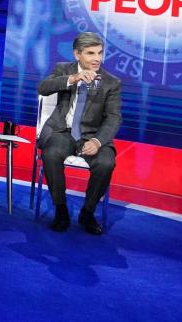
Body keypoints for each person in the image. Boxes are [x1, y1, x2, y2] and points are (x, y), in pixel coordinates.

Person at [37, 31, 122, 235]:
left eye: (100, 53)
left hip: (91, 135)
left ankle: (88, 212)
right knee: (51, 153)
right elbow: (43, 88)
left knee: (106, 162)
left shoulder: (111, 82)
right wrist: (73, 79)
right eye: (91, 53)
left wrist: (98, 140)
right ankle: (61, 208)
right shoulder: (63, 69)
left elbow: (113, 117)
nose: (97, 59)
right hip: (62, 131)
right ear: (77, 54)